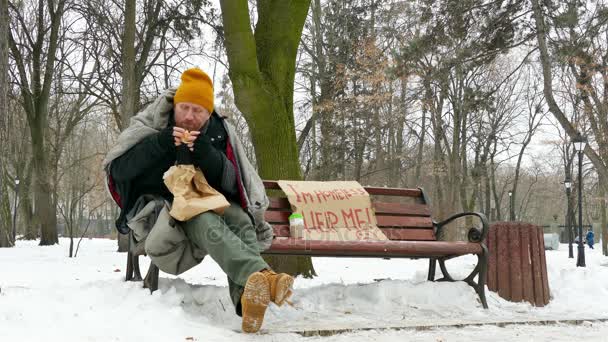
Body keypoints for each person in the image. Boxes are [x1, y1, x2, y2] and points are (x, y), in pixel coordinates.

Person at [102, 68, 293, 333]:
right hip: (160, 209)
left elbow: (232, 183)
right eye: (185, 108)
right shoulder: (151, 124)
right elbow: (120, 170)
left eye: (199, 111)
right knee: (200, 216)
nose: (190, 117)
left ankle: (247, 301)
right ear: (175, 105)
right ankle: (263, 278)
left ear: (208, 113)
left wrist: (207, 154)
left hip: (206, 201)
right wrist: (159, 143)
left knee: (239, 218)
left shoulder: (219, 132)